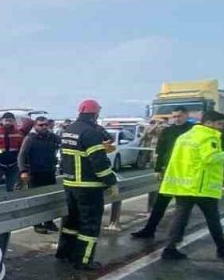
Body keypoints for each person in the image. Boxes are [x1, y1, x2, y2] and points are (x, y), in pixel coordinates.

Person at [158, 110, 224, 261]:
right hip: (201, 185)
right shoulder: (209, 137)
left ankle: (170, 248)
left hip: (184, 184)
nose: (222, 127)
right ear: (208, 123)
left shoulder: (185, 136)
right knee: (212, 218)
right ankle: (222, 247)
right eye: (220, 124)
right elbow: (210, 158)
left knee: (180, 217)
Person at [56, 100, 118, 271]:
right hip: (88, 186)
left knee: (72, 221)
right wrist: (111, 181)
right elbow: (99, 163)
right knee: (89, 225)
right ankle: (83, 260)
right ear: (95, 114)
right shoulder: (91, 132)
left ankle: (65, 253)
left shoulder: (69, 130)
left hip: (70, 184)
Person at [131, 108, 193, 239]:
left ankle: (176, 236)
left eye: (179, 116)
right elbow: (161, 150)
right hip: (170, 172)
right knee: (160, 203)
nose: (177, 119)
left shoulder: (193, 130)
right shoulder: (168, 131)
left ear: (186, 116)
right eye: (174, 116)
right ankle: (149, 230)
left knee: (183, 207)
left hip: (187, 173)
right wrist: (158, 168)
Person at [18, 115, 59, 232]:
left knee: (50, 198)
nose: (44, 127)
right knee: (36, 200)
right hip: (35, 173)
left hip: (49, 171)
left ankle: (49, 222)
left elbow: (64, 143)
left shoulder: (52, 137)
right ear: (35, 126)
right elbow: (21, 156)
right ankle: (37, 224)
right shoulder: (30, 138)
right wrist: (23, 171)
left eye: (46, 124)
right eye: (41, 125)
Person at [0, 112, 25, 195]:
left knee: (11, 187)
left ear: (14, 121)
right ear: (2, 121)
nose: (8, 123)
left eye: (10, 121)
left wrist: (20, 161)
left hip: (13, 165)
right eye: (6, 120)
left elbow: (22, 149)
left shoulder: (19, 133)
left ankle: (10, 201)